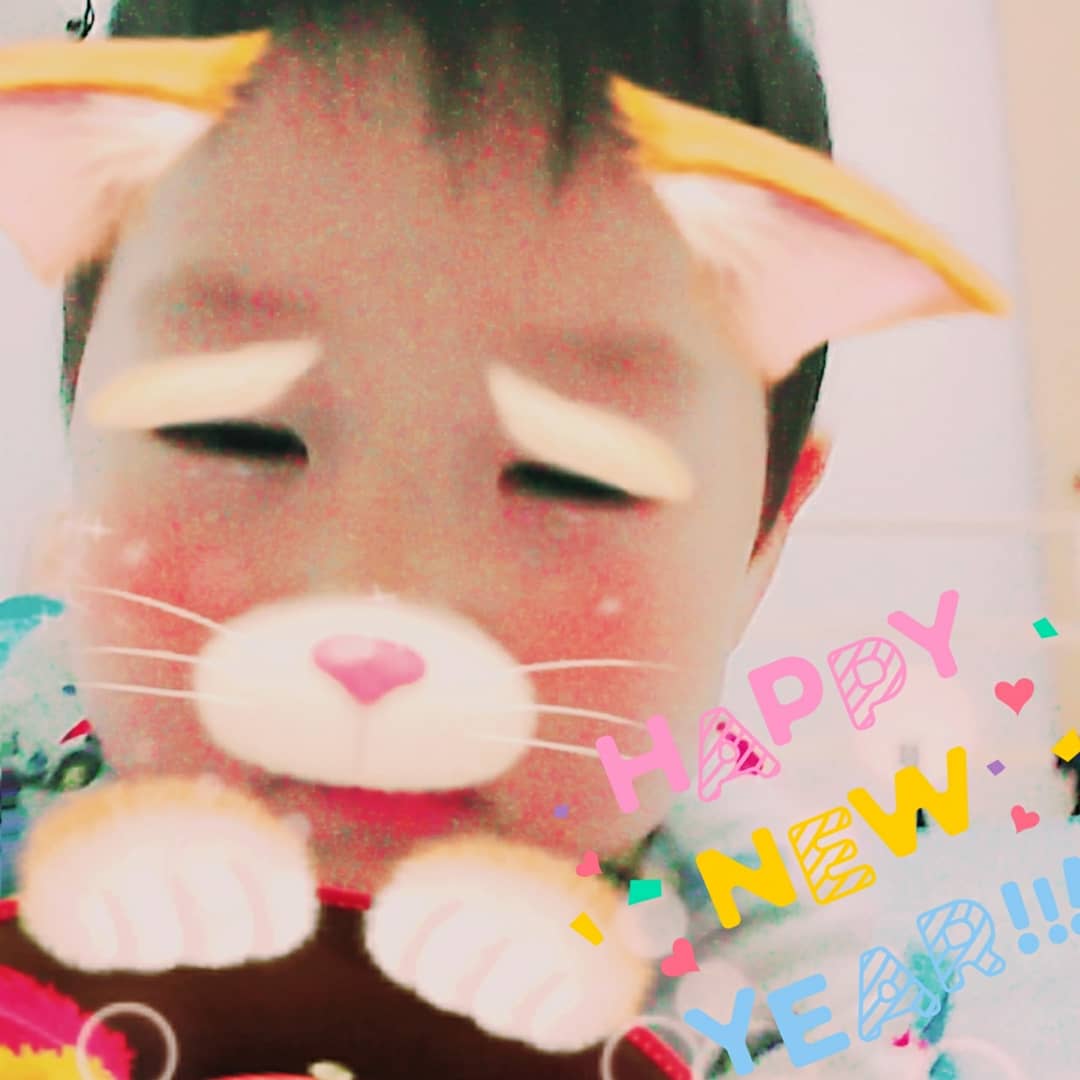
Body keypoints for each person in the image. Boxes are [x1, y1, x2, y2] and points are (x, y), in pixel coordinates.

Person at [0, 2, 1008, 1076]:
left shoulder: (776, 972)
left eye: (572, 474)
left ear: (762, 539)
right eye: (235, 431)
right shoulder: (28, 747)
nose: (377, 595)